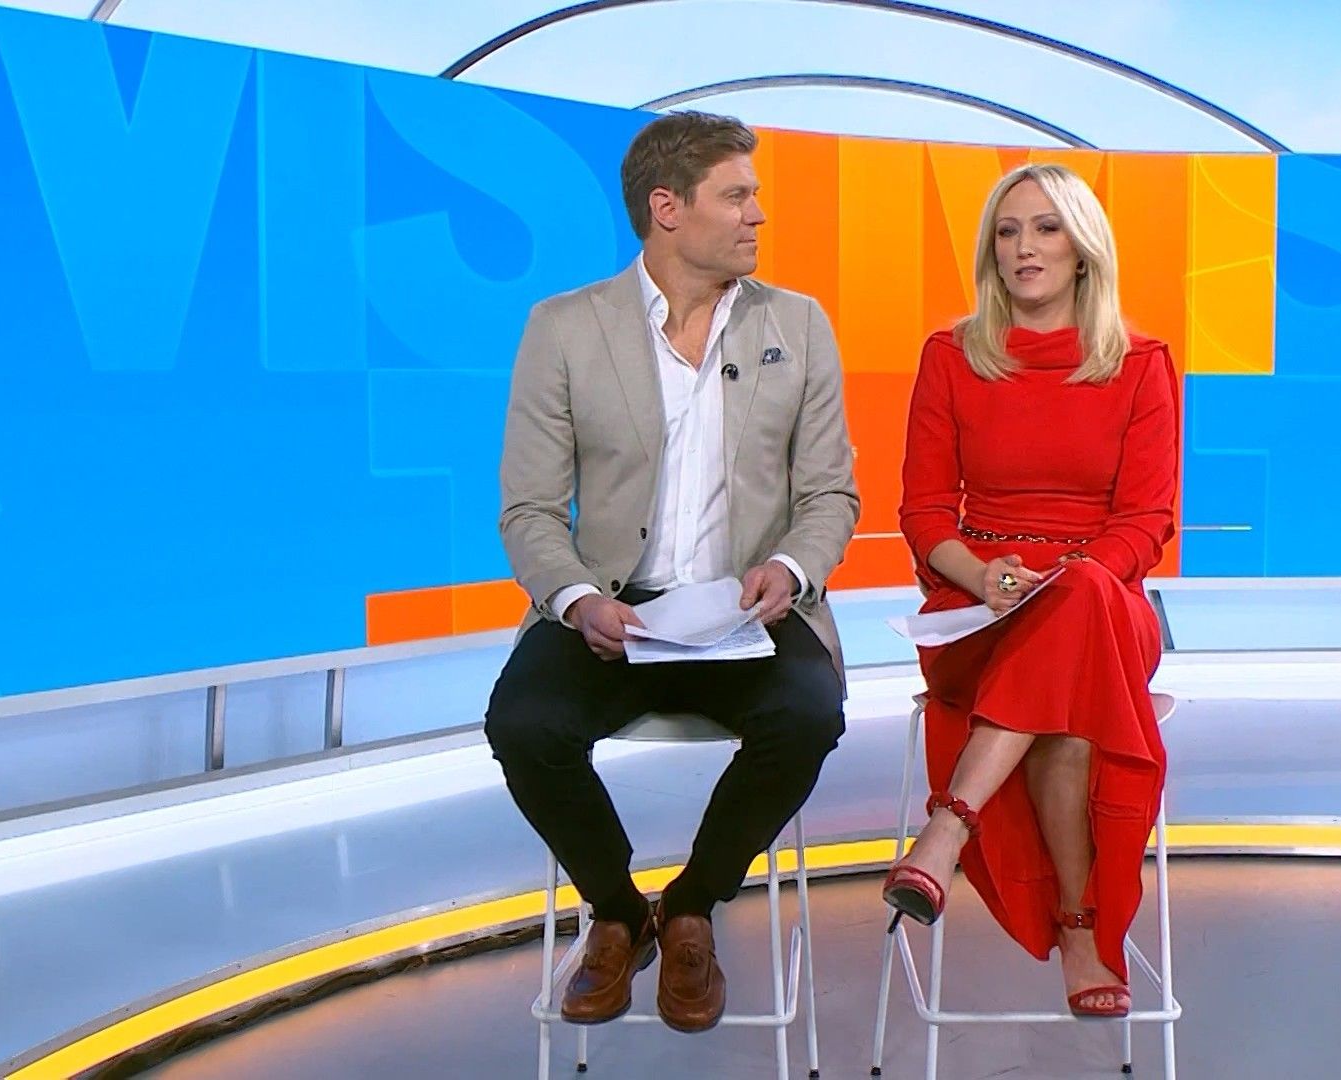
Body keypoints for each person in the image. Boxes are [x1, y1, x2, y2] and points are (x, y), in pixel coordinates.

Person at [485, 111, 860, 1034]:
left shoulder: (797, 324)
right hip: (613, 609)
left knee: (809, 715)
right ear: (667, 208)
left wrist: (790, 568)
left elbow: (830, 496)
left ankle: (692, 903)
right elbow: (530, 510)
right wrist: (577, 600)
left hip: (750, 611)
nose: (757, 215)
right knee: (522, 724)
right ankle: (618, 911)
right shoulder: (564, 328)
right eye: (737, 196)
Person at [886, 163, 1178, 1019]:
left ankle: (948, 825)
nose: (1025, 247)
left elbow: (1146, 521)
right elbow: (924, 511)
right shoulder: (950, 357)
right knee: (1070, 711)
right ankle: (1080, 934)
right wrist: (981, 575)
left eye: (1046, 228)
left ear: (1083, 249)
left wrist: (1068, 580)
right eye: (1008, 231)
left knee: (1080, 601)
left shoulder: (1141, 364)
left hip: (1102, 597)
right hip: (977, 605)